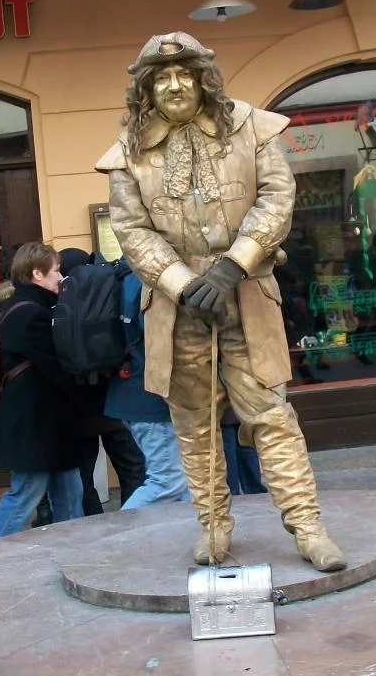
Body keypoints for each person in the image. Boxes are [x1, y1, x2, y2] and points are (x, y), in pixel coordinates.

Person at [95, 31, 345, 572]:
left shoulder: (251, 128)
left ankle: (308, 527)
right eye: (162, 78)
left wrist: (236, 264)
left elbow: (277, 197)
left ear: (204, 79)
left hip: (247, 296)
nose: (175, 85)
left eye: (185, 74)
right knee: (194, 423)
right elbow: (131, 230)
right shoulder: (129, 152)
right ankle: (213, 526)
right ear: (146, 90)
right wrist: (182, 283)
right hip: (177, 309)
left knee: (271, 415)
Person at [0, 242, 85, 541]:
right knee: (26, 491)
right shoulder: (31, 314)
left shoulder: (20, 307)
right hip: (34, 424)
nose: (61, 277)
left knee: (68, 490)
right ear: (37, 273)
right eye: (56, 271)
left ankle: (73, 550)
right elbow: (54, 368)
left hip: (42, 423)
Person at [57, 248, 146, 513]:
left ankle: (93, 524)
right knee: (132, 468)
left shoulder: (63, 301)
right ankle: (133, 522)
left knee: (84, 478)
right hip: (112, 398)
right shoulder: (108, 291)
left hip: (78, 404)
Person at [104, 259, 190, 508]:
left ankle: (193, 527)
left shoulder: (124, 276)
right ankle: (118, 529)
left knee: (186, 481)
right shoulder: (149, 279)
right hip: (150, 398)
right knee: (167, 481)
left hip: (134, 393)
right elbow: (161, 340)